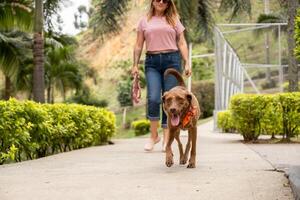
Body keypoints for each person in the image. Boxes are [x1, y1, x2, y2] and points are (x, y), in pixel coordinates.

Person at [131, 0, 191, 152]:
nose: (161, 2)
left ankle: (166, 138)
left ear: (169, 3)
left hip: (172, 60)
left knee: (170, 100)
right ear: (152, 1)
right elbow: (138, 45)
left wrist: (187, 62)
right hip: (152, 62)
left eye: (165, 0)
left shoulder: (174, 19)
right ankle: (153, 136)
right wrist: (135, 65)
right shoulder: (144, 21)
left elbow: (182, 43)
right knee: (153, 98)